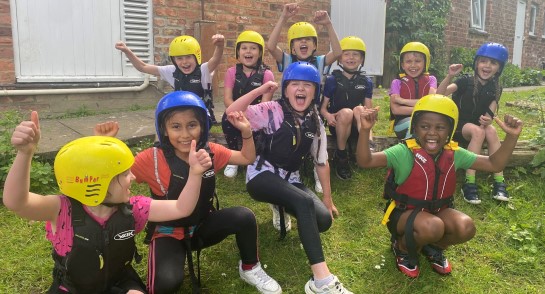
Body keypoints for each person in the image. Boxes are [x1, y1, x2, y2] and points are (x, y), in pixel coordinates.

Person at [3, 111, 212, 293]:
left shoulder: (134, 208)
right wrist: (25, 153)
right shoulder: (62, 210)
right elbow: (16, 202)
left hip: (119, 283)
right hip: (74, 289)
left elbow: (181, 207)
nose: (132, 178)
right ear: (98, 182)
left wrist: (195, 173)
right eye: (124, 174)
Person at [355, 94, 522, 278]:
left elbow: (494, 164)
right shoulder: (403, 152)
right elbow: (366, 161)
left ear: (450, 130)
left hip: (437, 212)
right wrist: (365, 131)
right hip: (404, 215)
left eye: (440, 127)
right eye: (424, 126)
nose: (432, 132)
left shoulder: (454, 153)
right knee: (432, 227)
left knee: (466, 227)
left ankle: (432, 247)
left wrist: (511, 137)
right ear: (415, 128)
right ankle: (401, 248)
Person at [131, 91, 281, 294]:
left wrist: (246, 132)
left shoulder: (210, 152)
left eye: (192, 125)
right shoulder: (151, 159)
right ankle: (171, 259)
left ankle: (250, 267)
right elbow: (116, 178)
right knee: (164, 285)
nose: (185, 134)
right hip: (168, 233)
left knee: (244, 217)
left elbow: (246, 158)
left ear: (202, 127)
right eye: (176, 127)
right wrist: (106, 145)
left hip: (202, 226)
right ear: (164, 130)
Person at [227, 62, 353, 294]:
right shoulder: (270, 109)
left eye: (307, 85)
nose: (301, 89)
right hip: (261, 176)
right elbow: (232, 111)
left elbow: (321, 162)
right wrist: (261, 89)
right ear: (285, 90)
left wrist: (327, 199)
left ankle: (282, 202)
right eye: (295, 84)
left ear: (315, 92)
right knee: (304, 201)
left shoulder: (315, 122)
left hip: (290, 180)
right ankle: (321, 281)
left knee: (323, 221)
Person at [266, 2, 342, 194]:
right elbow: (270, 46)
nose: (303, 43)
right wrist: (283, 17)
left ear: (315, 45)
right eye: (298, 40)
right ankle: (285, 171)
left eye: (308, 39)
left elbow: (339, 53)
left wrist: (328, 24)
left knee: (319, 138)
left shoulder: (319, 61)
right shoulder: (287, 60)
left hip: (312, 111)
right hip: (287, 110)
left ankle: (319, 169)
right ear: (291, 47)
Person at [437, 42, 510, 204]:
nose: (487, 66)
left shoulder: (496, 87)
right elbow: (439, 94)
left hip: (477, 128)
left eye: (493, 63)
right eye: (483, 61)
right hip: (457, 127)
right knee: (478, 131)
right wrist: (449, 76)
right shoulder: (465, 81)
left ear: (499, 68)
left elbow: (491, 110)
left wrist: (489, 119)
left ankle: (499, 180)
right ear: (476, 63)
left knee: (491, 131)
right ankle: (469, 182)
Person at [115, 34, 224, 122]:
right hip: (181, 113)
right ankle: (159, 145)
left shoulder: (204, 70)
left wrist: (219, 46)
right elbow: (143, 67)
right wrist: (127, 51)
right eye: (179, 58)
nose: (184, 62)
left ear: (196, 57)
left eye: (188, 57)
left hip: (202, 115)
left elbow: (215, 60)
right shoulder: (172, 71)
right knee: (162, 117)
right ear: (174, 60)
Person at [222, 30, 275, 178]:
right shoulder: (231, 72)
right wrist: (237, 113)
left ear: (260, 52)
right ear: (238, 52)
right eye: (244, 48)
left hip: (257, 115)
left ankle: (257, 157)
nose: (248, 51)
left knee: (265, 128)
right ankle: (233, 158)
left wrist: (249, 114)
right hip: (235, 113)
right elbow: (227, 99)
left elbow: (265, 104)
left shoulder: (267, 74)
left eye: (253, 48)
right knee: (226, 121)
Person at [320, 36, 374, 180]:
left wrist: (370, 117)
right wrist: (329, 116)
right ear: (339, 59)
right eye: (347, 54)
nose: (351, 58)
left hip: (358, 125)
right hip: (339, 124)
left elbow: (368, 109)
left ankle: (367, 144)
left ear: (362, 59)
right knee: (346, 112)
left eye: (356, 54)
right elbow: (323, 108)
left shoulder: (366, 81)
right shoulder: (333, 80)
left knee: (359, 109)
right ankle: (341, 156)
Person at [389, 42, 437, 139]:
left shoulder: (432, 80)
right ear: (402, 65)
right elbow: (396, 110)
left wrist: (402, 101)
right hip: (402, 124)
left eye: (417, 61)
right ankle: (410, 150)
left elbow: (430, 102)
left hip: (427, 123)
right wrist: (423, 109)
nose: (413, 65)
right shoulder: (396, 83)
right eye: (408, 61)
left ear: (425, 63)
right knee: (417, 125)